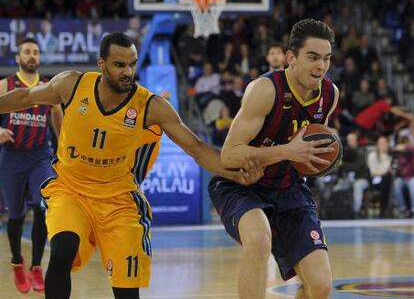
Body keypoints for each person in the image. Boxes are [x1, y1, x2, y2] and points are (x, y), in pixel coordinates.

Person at [0, 32, 262, 299]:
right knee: (63, 248)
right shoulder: (71, 84)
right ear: (101, 64)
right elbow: (25, 97)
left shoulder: (152, 106)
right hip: (70, 190)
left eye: (132, 64)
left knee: (126, 289)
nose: (128, 72)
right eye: (119, 65)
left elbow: (197, 149)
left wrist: (236, 174)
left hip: (118, 199)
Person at [208, 18, 339, 299]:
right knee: (258, 241)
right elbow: (229, 155)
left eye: (326, 59)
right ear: (291, 58)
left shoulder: (329, 94)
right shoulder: (265, 90)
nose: (321, 66)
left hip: (289, 187)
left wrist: (321, 157)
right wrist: (287, 151)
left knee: (320, 287)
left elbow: (312, 145)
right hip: (242, 185)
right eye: (313, 57)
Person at [0, 37, 63, 294]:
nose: (32, 55)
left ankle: (37, 266)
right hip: (12, 157)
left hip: (40, 156)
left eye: (35, 52)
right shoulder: (5, 85)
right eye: (27, 51)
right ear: (18, 58)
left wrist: (65, 151)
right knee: (15, 217)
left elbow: (59, 120)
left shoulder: (49, 88)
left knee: (42, 206)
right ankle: (17, 261)